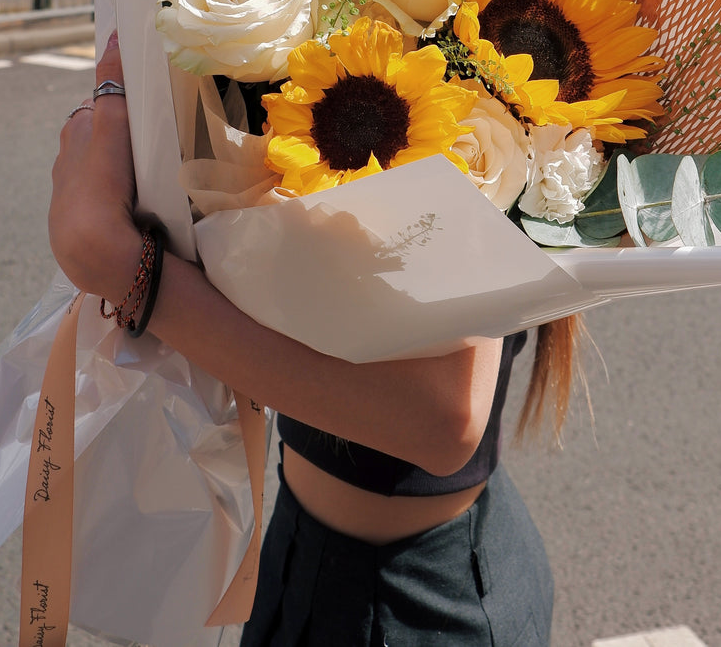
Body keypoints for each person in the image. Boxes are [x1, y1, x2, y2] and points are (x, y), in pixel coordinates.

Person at [48, 33, 560, 646]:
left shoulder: (481, 62)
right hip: (296, 549)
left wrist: (131, 272)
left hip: (433, 597)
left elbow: (445, 421)